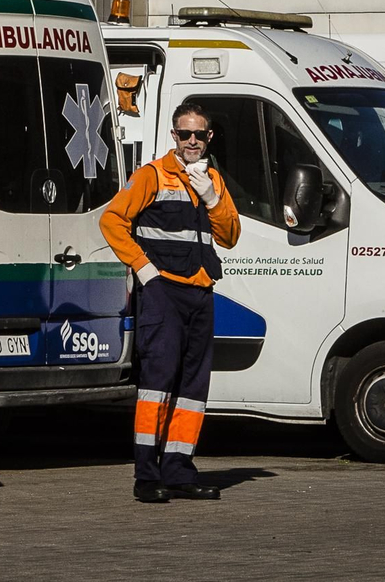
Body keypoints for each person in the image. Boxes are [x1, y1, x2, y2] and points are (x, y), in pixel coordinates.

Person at [100, 101, 241, 504]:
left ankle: (179, 470)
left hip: (200, 291)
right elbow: (112, 220)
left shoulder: (211, 178)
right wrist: (145, 270)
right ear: (173, 136)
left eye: (199, 134)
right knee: (157, 385)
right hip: (163, 291)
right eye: (185, 134)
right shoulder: (153, 175)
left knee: (193, 388)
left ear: (209, 137)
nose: (192, 141)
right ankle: (147, 476)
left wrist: (212, 198)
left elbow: (230, 236)